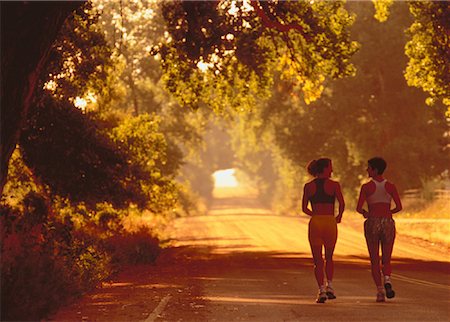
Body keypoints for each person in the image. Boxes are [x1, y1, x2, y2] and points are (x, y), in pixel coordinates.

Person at [356, 157, 402, 302]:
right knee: (386, 258)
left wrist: (366, 213)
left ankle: (380, 291)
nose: (367, 170)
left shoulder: (366, 187)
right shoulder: (391, 186)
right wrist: (388, 213)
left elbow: (359, 208)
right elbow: (399, 207)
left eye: (369, 168)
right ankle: (387, 279)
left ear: (375, 170)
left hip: (372, 222)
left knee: (374, 259)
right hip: (387, 221)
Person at [302, 158, 345, 303]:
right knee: (329, 257)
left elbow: (304, 208)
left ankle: (321, 290)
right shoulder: (334, 185)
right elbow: (342, 203)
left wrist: (314, 214)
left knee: (317, 260)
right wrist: (338, 216)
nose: (332, 170)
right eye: (330, 168)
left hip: (316, 223)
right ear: (325, 169)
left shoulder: (308, 186)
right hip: (329, 222)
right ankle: (330, 286)